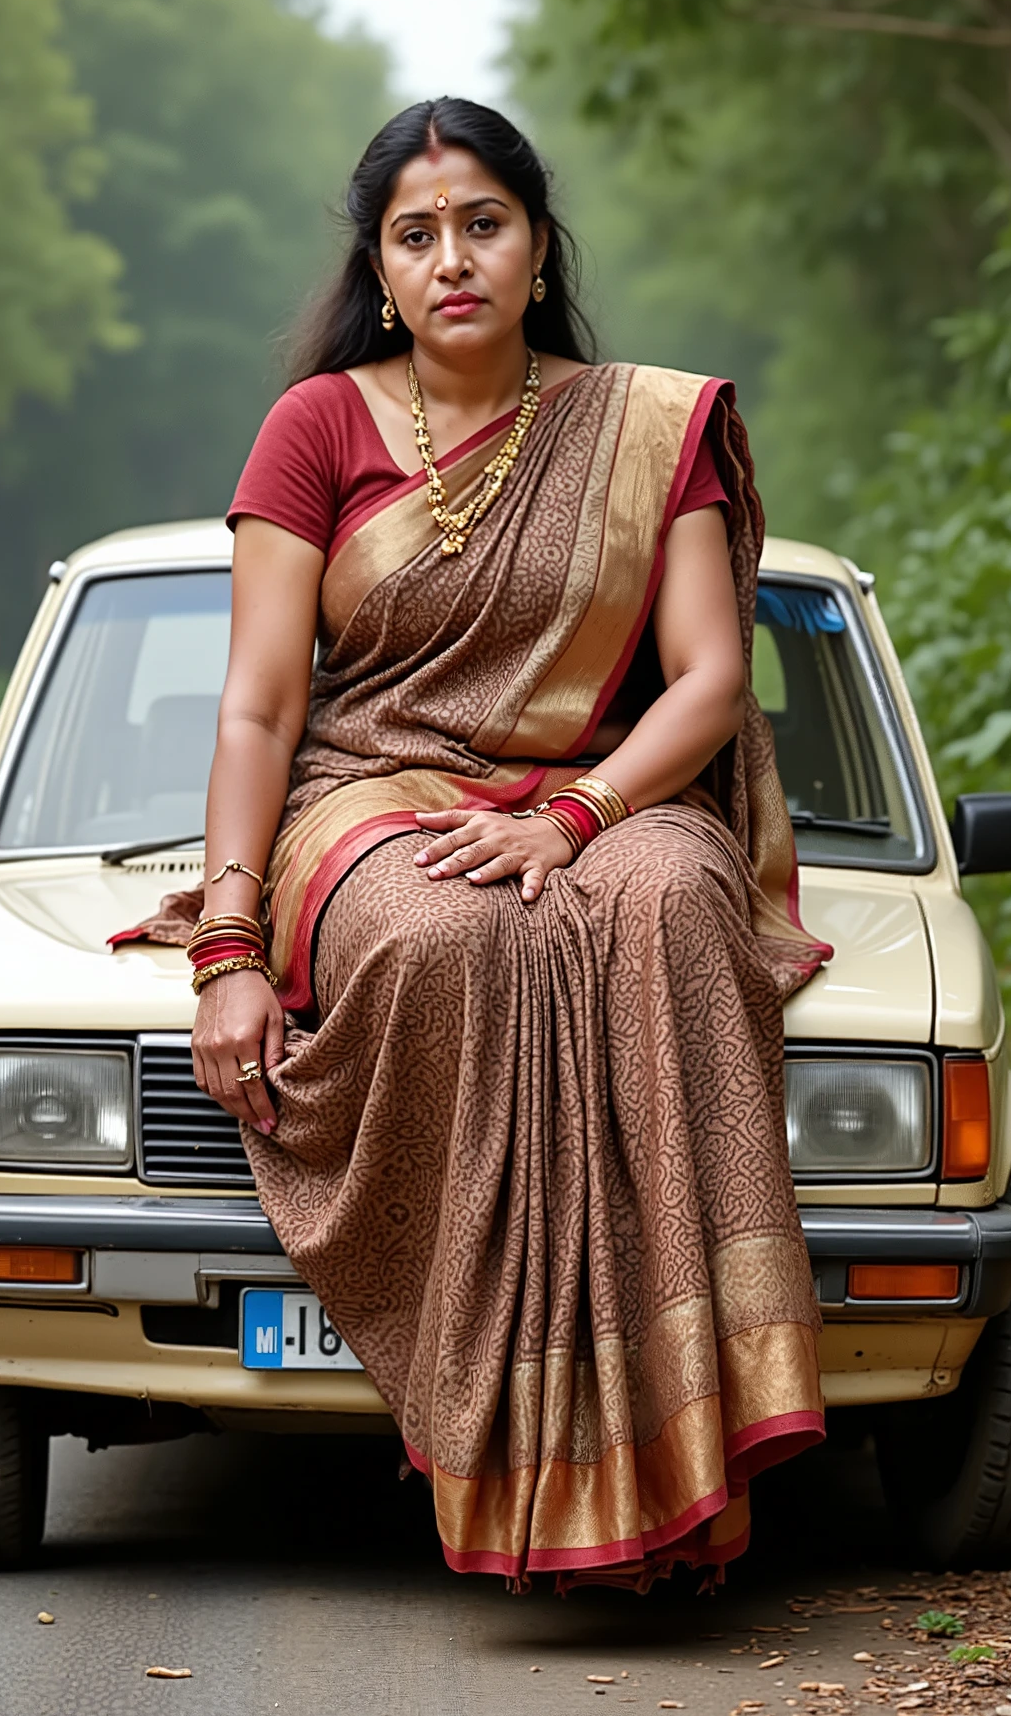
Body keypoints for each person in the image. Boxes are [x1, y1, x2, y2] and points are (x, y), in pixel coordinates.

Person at [124, 97, 831, 1591]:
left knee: (674, 910)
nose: (455, 257)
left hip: (610, 784)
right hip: (370, 790)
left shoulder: (651, 427)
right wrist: (228, 952)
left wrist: (574, 815)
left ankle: (686, 1459)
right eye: (418, 232)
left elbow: (706, 677)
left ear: (535, 243)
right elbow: (259, 709)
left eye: (484, 222)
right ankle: (508, 1427)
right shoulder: (317, 426)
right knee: (444, 935)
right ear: (382, 267)